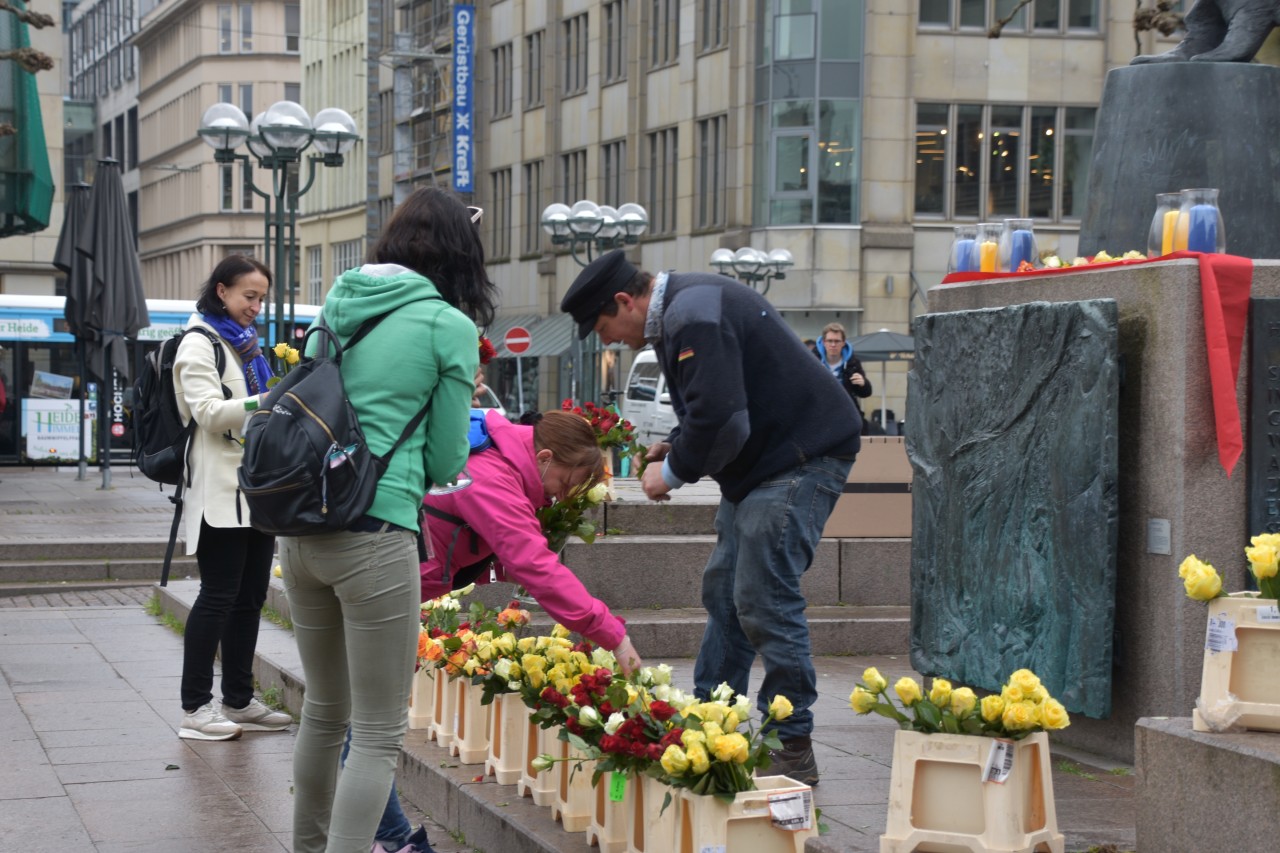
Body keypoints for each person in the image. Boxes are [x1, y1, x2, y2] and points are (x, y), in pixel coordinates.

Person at [560, 250, 861, 786]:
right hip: (766, 464)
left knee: (763, 595)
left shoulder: (692, 313)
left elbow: (724, 418)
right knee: (726, 592)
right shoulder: (685, 310)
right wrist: (675, 444)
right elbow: (719, 405)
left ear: (626, 301)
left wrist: (672, 472)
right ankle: (710, 720)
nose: (608, 340)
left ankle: (792, 743)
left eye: (604, 326)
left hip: (801, 457)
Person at [280, 186, 498, 853]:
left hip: (302, 527)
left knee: (322, 711)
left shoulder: (338, 300)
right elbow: (444, 457)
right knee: (376, 730)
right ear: (462, 254)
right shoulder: (448, 326)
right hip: (375, 536)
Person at [367, 409, 645, 851]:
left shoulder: (497, 454)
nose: (559, 497)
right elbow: (532, 563)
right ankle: (386, 839)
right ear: (546, 457)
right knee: (368, 727)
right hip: (379, 584)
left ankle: (374, 835)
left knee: (358, 723)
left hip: (386, 578)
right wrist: (614, 635)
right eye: (565, 484)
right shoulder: (490, 474)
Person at [173, 254, 293, 741]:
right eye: (249, 296)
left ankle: (238, 700)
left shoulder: (244, 346)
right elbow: (205, 412)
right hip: (220, 492)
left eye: (261, 297)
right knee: (217, 597)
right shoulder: (199, 343)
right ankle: (195, 709)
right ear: (221, 291)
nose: (256, 307)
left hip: (256, 492)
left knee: (248, 599)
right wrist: (266, 400)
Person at [811, 322, 877, 434]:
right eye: (830, 341)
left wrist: (863, 384)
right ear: (823, 342)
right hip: (820, 416)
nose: (833, 345)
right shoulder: (812, 361)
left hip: (846, 416)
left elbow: (866, 393)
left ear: (843, 343)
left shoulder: (853, 362)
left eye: (837, 341)